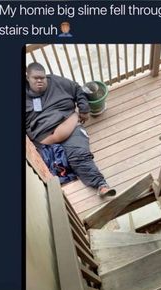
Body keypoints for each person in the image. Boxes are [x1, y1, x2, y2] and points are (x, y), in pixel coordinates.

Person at [26, 62, 116, 197]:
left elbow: (77, 89)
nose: (40, 80)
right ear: (27, 77)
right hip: (42, 137)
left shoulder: (57, 82)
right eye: (35, 78)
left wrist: (84, 109)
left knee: (79, 155)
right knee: (49, 168)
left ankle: (101, 185)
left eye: (42, 77)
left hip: (69, 126)